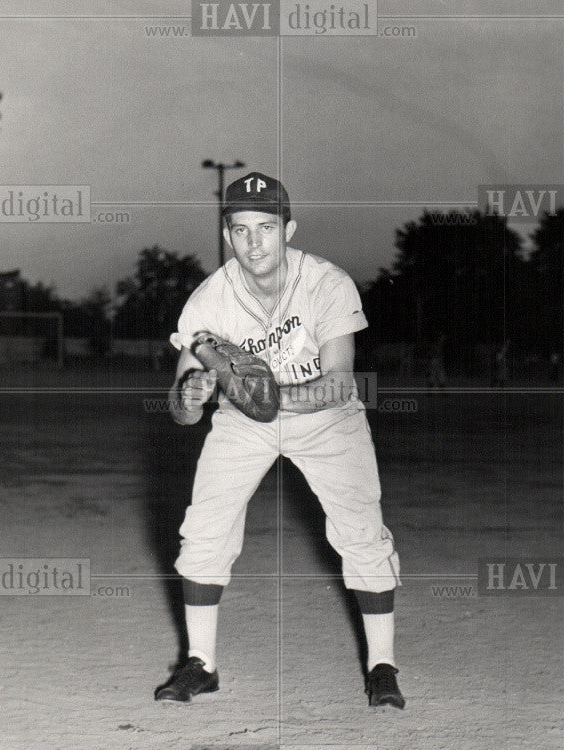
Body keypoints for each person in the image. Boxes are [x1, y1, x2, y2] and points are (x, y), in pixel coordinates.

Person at [155, 171, 404, 708]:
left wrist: (264, 393)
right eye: (241, 230)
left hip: (327, 418)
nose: (254, 242)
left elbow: (339, 382)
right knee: (203, 527)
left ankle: (381, 665)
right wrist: (191, 395)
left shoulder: (327, 283)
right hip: (244, 423)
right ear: (227, 235)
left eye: (266, 227)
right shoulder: (209, 300)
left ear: (288, 229)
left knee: (361, 530)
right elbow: (179, 410)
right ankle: (201, 663)